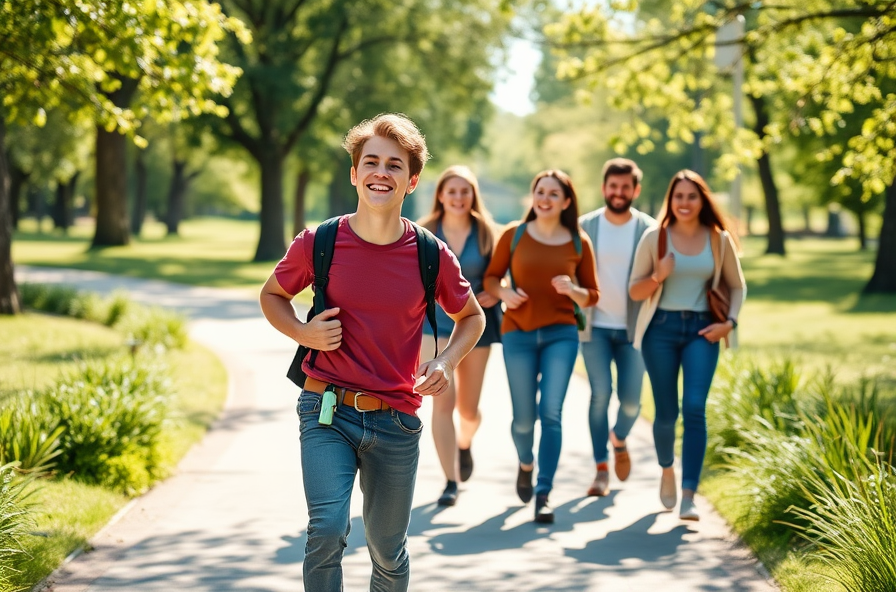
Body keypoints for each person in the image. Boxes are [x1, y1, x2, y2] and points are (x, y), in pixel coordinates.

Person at [259, 113, 485, 591]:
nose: (381, 172)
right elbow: (272, 296)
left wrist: (445, 361)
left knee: (387, 550)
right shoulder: (320, 241)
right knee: (326, 529)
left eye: (395, 165)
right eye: (372, 162)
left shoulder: (430, 253)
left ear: (412, 179)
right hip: (325, 409)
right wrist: (303, 333)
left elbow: (473, 318)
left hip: (395, 421)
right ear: (355, 173)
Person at [628, 169, 745, 522]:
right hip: (660, 330)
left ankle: (689, 495)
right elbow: (635, 291)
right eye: (678, 196)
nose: (684, 203)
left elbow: (737, 286)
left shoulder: (718, 239)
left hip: (702, 330)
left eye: (691, 196)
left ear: (702, 199)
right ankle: (667, 470)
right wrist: (658, 276)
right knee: (666, 413)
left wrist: (729, 323)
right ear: (670, 200)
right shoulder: (655, 238)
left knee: (695, 408)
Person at [483, 170, 599, 524]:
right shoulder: (513, 235)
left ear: (566, 201)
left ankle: (544, 492)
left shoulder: (578, 242)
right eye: (540, 191)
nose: (545, 198)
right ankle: (526, 463)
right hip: (517, 332)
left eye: (553, 193)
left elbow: (592, 294)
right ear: (532, 196)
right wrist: (504, 292)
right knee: (523, 418)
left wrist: (573, 291)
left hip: (560, 333)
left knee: (551, 412)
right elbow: (491, 277)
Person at [417, 165, 502, 507]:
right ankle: (450, 479)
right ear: (440, 195)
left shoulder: (487, 233)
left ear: (473, 196)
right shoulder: (422, 232)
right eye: (451, 191)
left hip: (473, 326)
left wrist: (497, 292)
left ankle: (464, 444)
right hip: (431, 326)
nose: (458, 197)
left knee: (468, 410)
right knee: (442, 402)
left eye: (464, 191)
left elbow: (499, 276)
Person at [578, 158, 656, 497]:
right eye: (613, 186)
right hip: (594, 329)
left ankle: (619, 437)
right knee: (599, 396)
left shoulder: (649, 230)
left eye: (626, 187)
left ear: (635, 190)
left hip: (633, 330)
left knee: (631, 404)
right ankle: (600, 469)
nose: (619, 193)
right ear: (604, 188)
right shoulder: (584, 227)